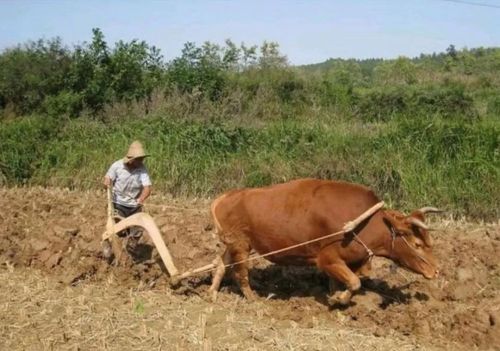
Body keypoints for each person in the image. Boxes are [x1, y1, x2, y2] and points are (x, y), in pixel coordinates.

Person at [102, 140, 152, 258]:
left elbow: (147, 188)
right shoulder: (117, 166)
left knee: (137, 231)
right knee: (118, 230)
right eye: (139, 159)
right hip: (118, 204)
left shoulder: (142, 169)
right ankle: (110, 247)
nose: (141, 161)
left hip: (135, 206)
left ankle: (130, 251)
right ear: (131, 159)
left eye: (142, 159)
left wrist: (141, 198)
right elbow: (107, 181)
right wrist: (107, 182)